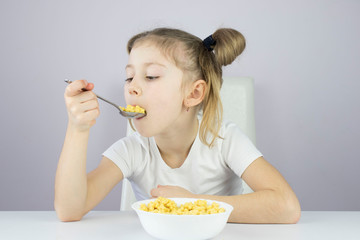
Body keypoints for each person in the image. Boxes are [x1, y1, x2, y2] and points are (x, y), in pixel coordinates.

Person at [55, 27, 301, 223]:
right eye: (129, 76)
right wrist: (78, 129)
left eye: (151, 76)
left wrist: (193, 203)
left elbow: (286, 206)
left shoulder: (224, 139)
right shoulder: (132, 149)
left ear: (194, 94)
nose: (132, 87)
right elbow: (70, 210)